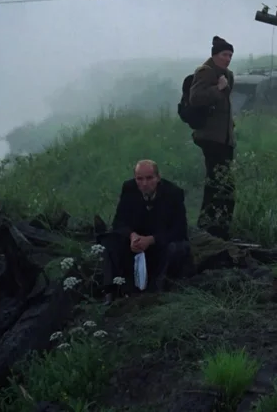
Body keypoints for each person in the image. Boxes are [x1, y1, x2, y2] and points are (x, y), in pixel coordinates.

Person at [100, 160, 195, 305]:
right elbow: (119, 222)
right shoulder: (129, 188)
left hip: (160, 241)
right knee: (109, 241)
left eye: (149, 178)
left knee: (176, 248)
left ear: (158, 177)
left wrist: (151, 240)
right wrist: (132, 236)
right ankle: (110, 290)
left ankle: (157, 288)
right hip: (137, 240)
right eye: (140, 179)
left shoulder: (173, 193)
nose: (144, 183)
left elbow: (179, 230)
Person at [189, 36, 237, 241]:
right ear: (215, 55)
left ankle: (215, 227)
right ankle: (211, 228)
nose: (228, 59)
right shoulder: (205, 71)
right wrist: (217, 88)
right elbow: (195, 98)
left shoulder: (227, 74)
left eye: (230, 55)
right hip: (210, 138)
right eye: (224, 55)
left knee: (219, 183)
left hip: (224, 138)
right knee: (220, 184)